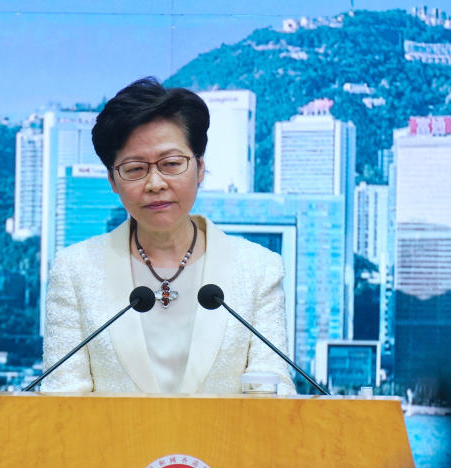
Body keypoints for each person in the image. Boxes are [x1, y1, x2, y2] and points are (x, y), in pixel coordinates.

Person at [42, 77, 296, 394]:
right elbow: (62, 399)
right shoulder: (75, 269)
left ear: (200, 167)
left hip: (224, 443)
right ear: (112, 180)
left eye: (171, 164)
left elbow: (272, 393)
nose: (155, 183)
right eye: (135, 169)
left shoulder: (258, 269)